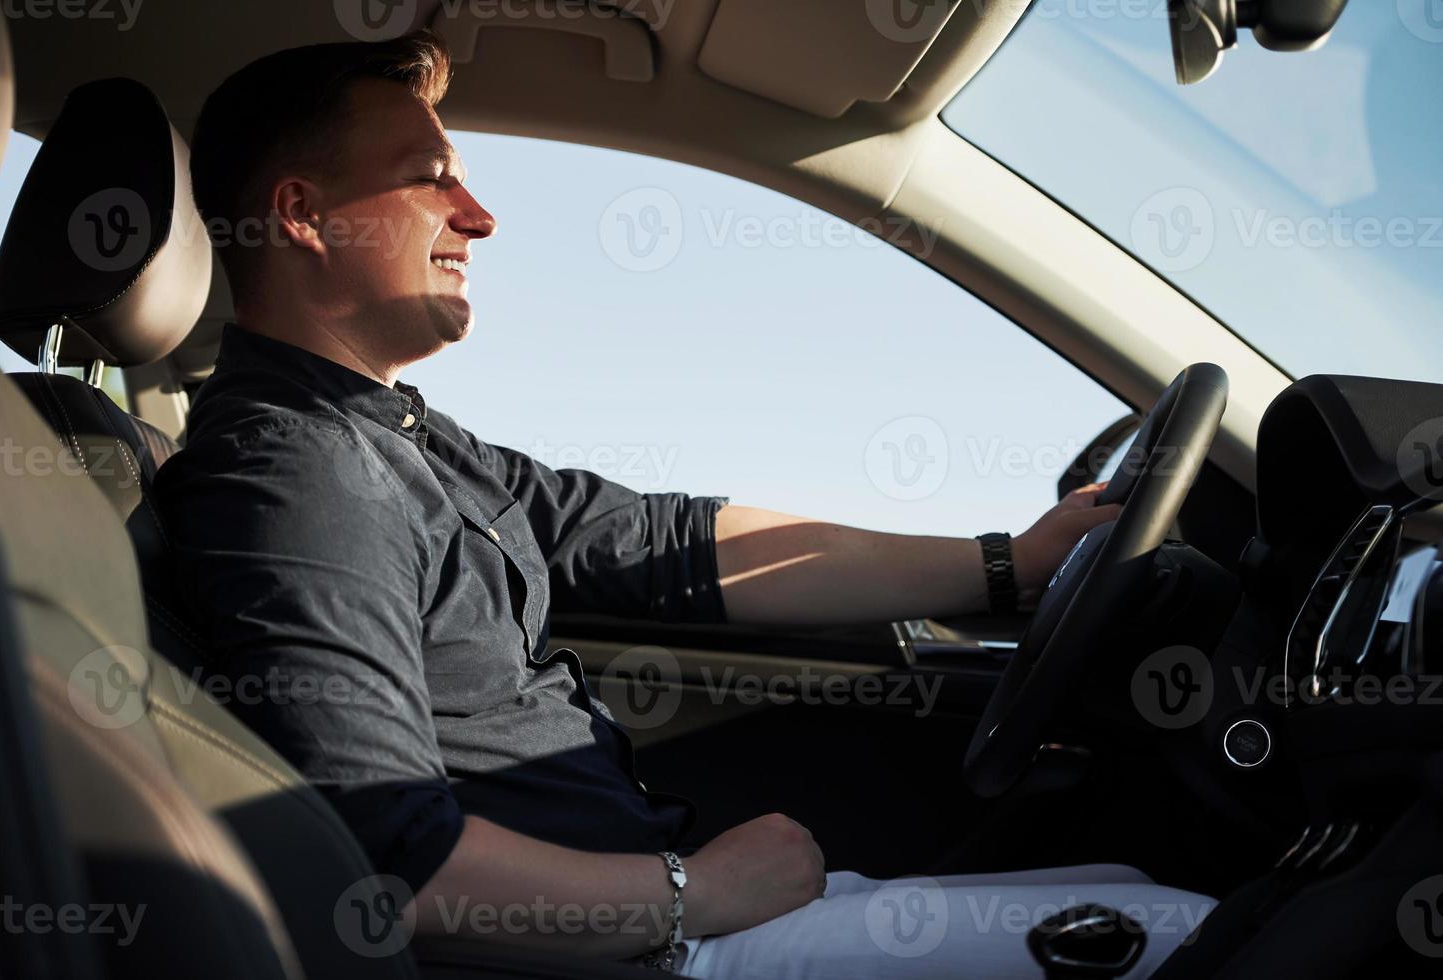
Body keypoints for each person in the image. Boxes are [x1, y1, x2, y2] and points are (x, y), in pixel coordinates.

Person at [157, 31, 1212, 977]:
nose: (477, 216)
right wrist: (692, 894)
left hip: (671, 922)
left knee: (1135, 881)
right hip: (653, 950)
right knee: (1175, 940)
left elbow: (670, 543)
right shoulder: (297, 477)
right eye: (431, 180)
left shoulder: (399, 438)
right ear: (300, 214)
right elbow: (389, 863)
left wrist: (1008, 562)